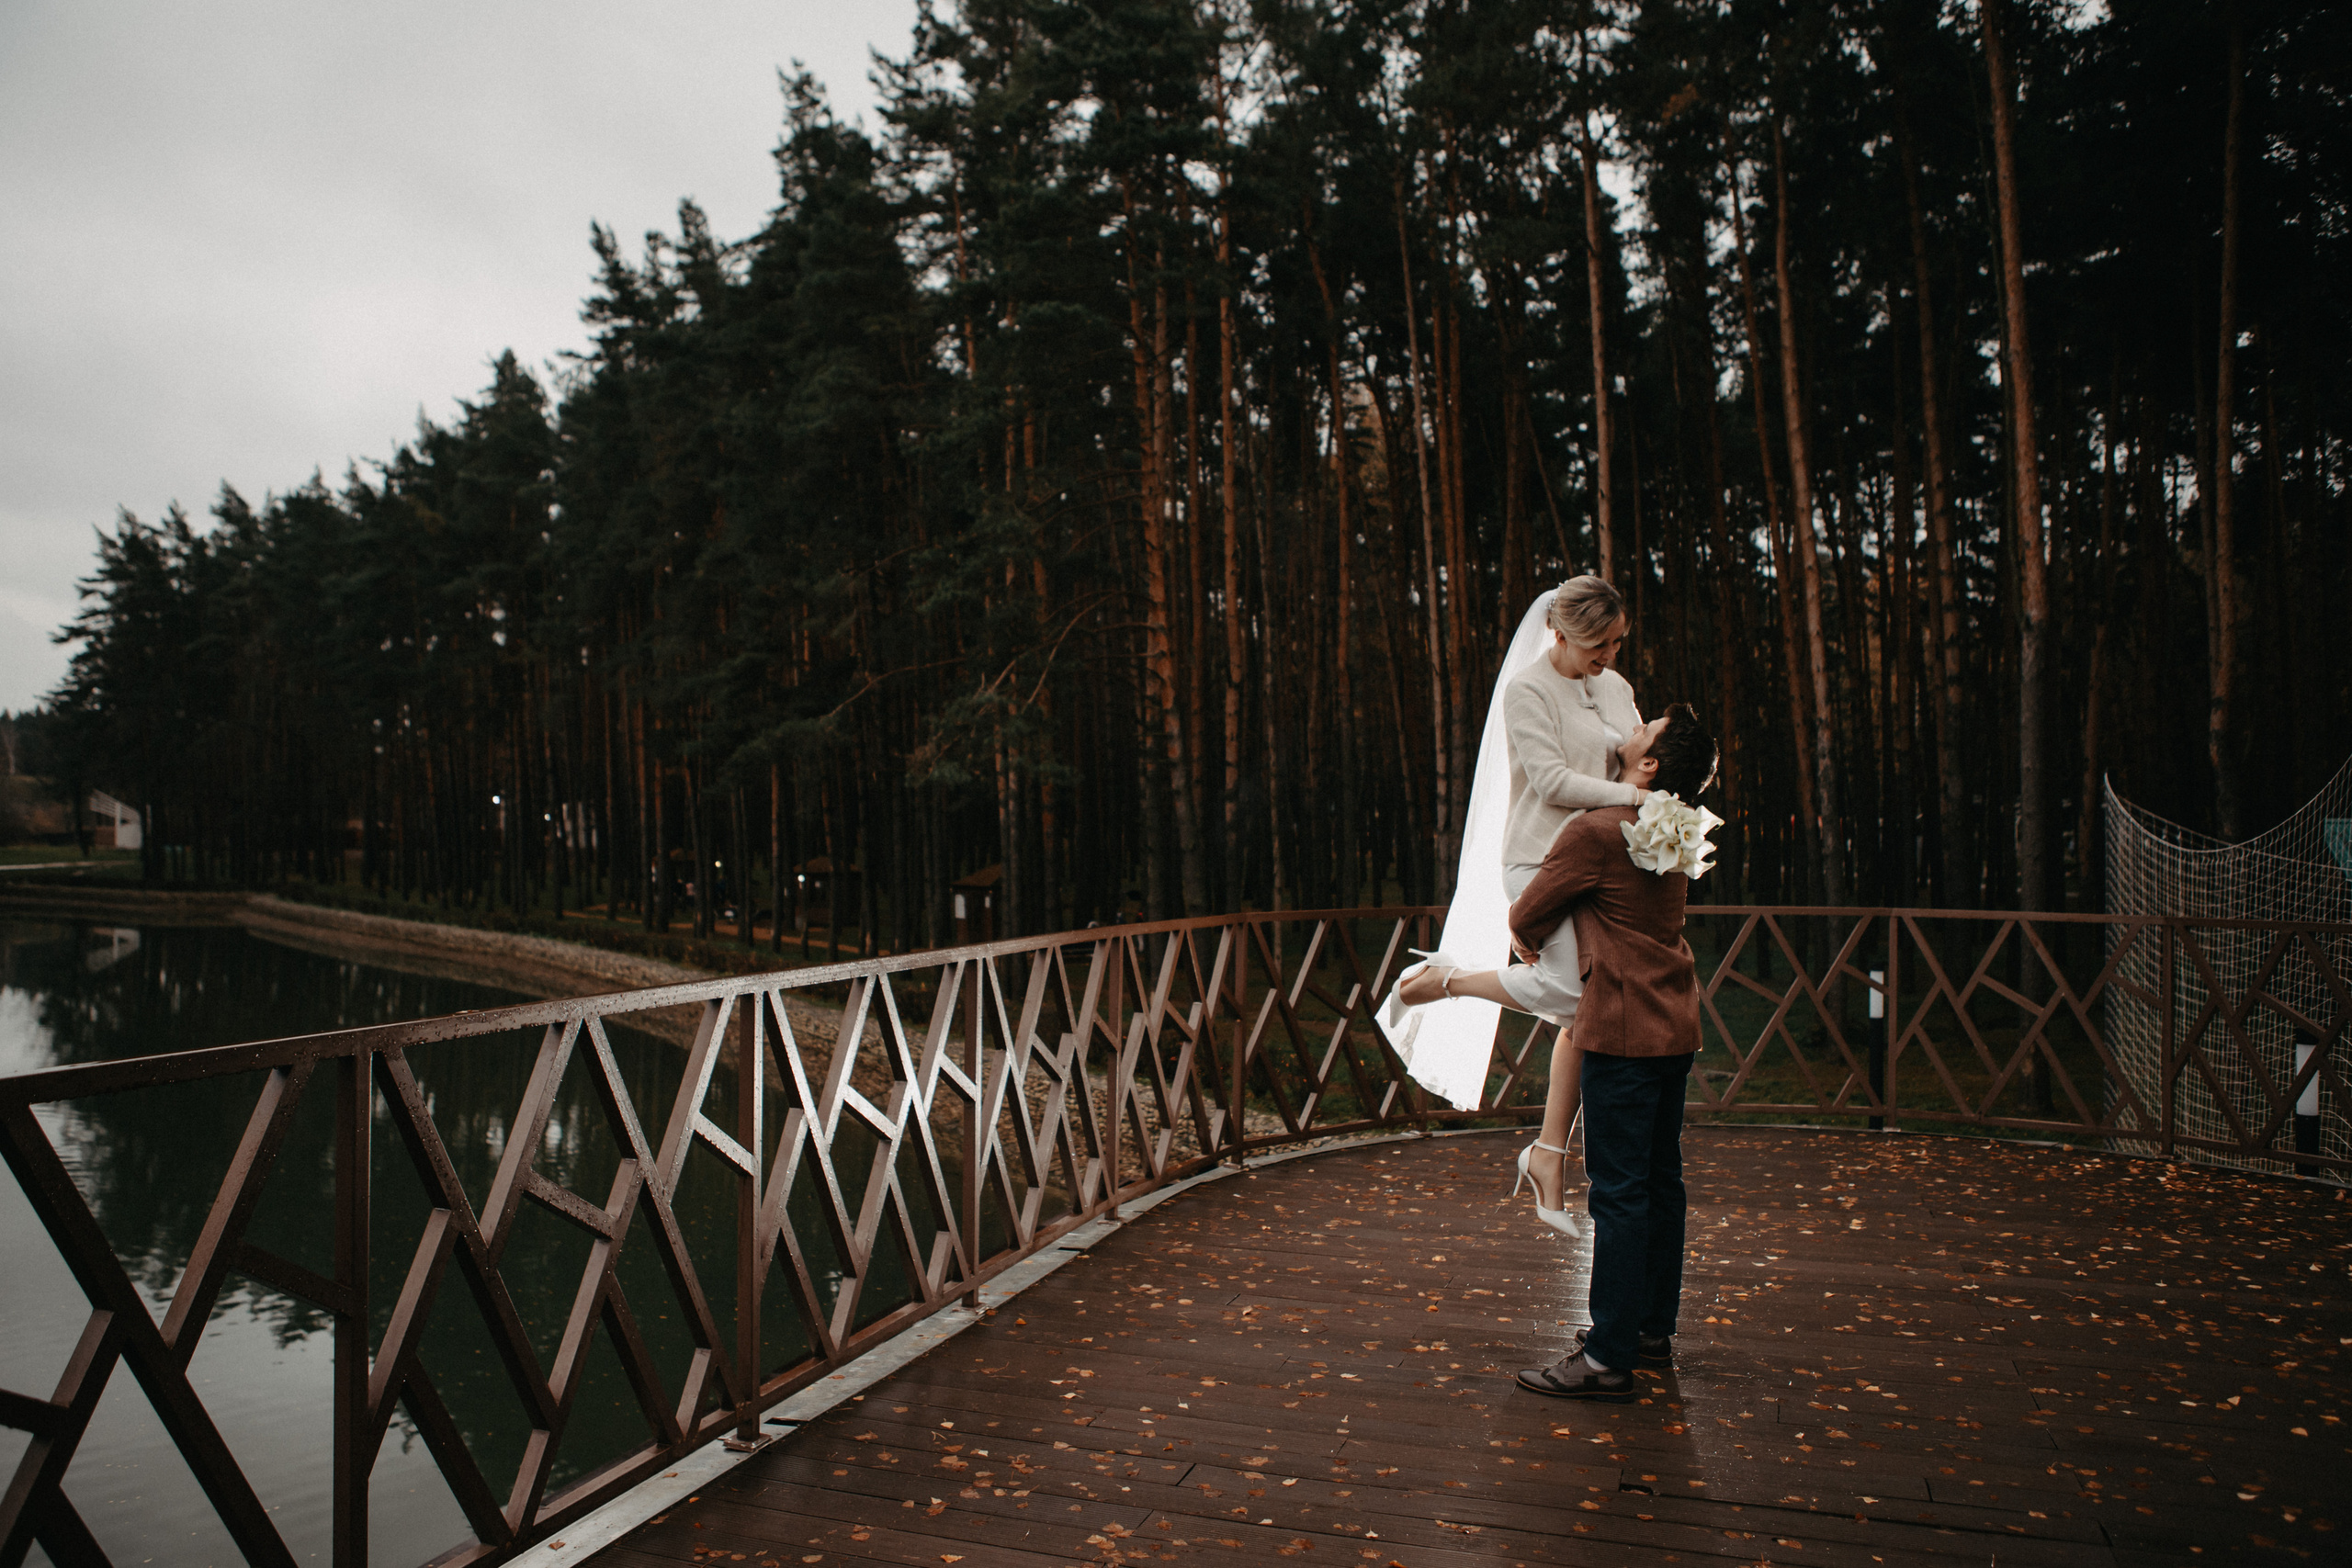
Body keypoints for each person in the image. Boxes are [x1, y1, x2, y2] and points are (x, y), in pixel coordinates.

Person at [1392, 576, 1650, 1234]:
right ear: (1562, 633)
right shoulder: (1527, 690)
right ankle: (1448, 981)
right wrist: (1637, 801)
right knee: (1573, 996)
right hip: (1540, 863)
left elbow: (1637, 758)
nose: (1611, 657)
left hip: (1605, 864)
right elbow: (1552, 781)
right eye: (1601, 644)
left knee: (1589, 1011)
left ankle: (1548, 1153)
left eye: (1619, 643)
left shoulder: (1615, 687)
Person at [1504, 702, 1720, 1402]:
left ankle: (1606, 1357)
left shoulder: (1598, 831)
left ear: (1649, 763)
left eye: (1646, 728)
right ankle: (1650, 1331)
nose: (1634, 727)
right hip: (1674, 1024)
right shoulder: (1674, 831)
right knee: (1661, 1183)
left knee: (1620, 1193)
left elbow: (1526, 911)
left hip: (1624, 1029)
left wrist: (1529, 942)